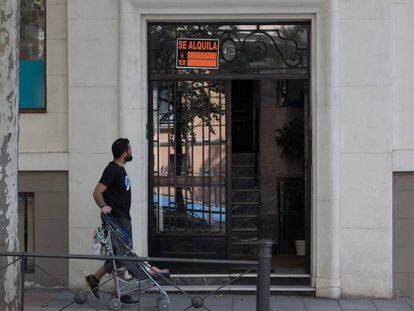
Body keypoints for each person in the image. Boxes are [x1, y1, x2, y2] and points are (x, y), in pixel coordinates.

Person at [85, 138, 168, 304]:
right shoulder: (112, 170)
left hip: (123, 217)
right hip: (118, 219)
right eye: (129, 149)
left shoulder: (120, 170)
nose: (131, 151)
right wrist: (103, 206)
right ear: (124, 152)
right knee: (123, 254)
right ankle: (116, 290)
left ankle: (107, 285)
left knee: (120, 254)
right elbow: (96, 192)